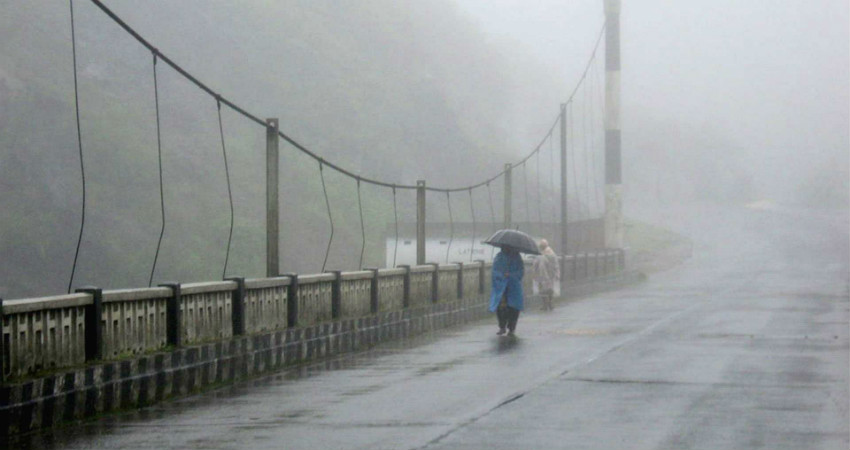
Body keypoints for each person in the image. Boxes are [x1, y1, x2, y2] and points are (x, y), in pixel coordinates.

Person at [489, 247, 525, 336]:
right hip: (501, 287)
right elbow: (495, 272)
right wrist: (502, 276)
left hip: (513, 287)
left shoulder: (516, 258)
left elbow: (520, 272)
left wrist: (511, 275)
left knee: (514, 308)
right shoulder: (499, 257)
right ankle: (502, 326)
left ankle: (511, 328)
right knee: (501, 308)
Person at [533, 239, 560, 311]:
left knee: (543, 290)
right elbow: (556, 264)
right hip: (551, 274)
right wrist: (557, 273)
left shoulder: (540, 255)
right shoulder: (552, 254)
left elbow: (535, 264)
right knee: (550, 290)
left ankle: (545, 305)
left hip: (542, 275)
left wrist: (535, 273)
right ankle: (550, 304)